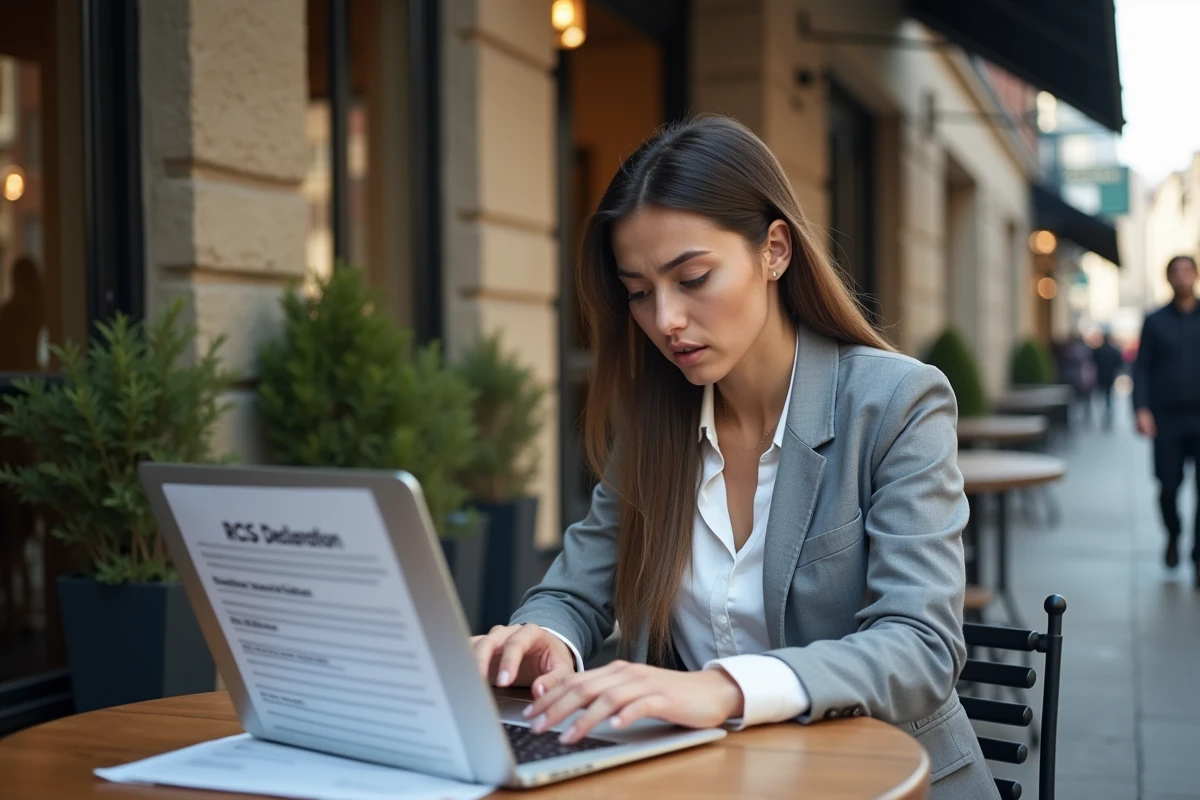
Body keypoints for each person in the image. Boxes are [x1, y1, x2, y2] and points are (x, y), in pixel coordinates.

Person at [469, 116, 994, 798]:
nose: (665, 320)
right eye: (638, 291)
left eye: (691, 277)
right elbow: (574, 590)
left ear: (775, 250)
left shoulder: (894, 402)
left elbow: (921, 646)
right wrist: (544, 637)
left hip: (882, 782)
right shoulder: (656, 423)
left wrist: (723, 690)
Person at [1134, 254, 1200, 585]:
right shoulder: (1155, 320)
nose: (1182, 276)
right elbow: (1141, 367)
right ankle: (1173, 534)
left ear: (1196, 276)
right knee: (1168, 487)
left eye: (1188, 270)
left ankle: (1198, 554)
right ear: (1169, 278)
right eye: (1176, 271)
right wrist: (1141, 409)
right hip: (1167, 419)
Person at [1091, 330, 1124, 430]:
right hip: (1110, 376)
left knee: (1101, 397)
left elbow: (1093, 363)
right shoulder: (1114, 351)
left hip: (1101, 376)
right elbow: (1119, 363)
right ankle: (1108, 415)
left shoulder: (1098, 351)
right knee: (1109, 397)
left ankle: (1105, 415)